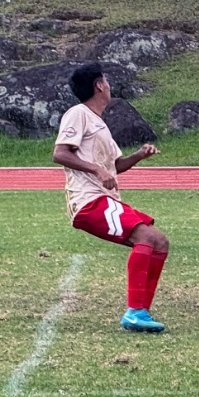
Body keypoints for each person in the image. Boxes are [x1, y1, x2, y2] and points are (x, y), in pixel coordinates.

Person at [53, 63, 170, 334]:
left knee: (159, 241)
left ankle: (141, 311)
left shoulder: (99, 123)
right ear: (99, 85)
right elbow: (60, 153)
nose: (108, 85)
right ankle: (134, 312)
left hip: (106, 199)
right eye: (106, 80)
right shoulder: (78, 113)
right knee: (146, 238)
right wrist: (96, 169)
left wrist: (140, 155)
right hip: (89, 200)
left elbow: (116, 166)